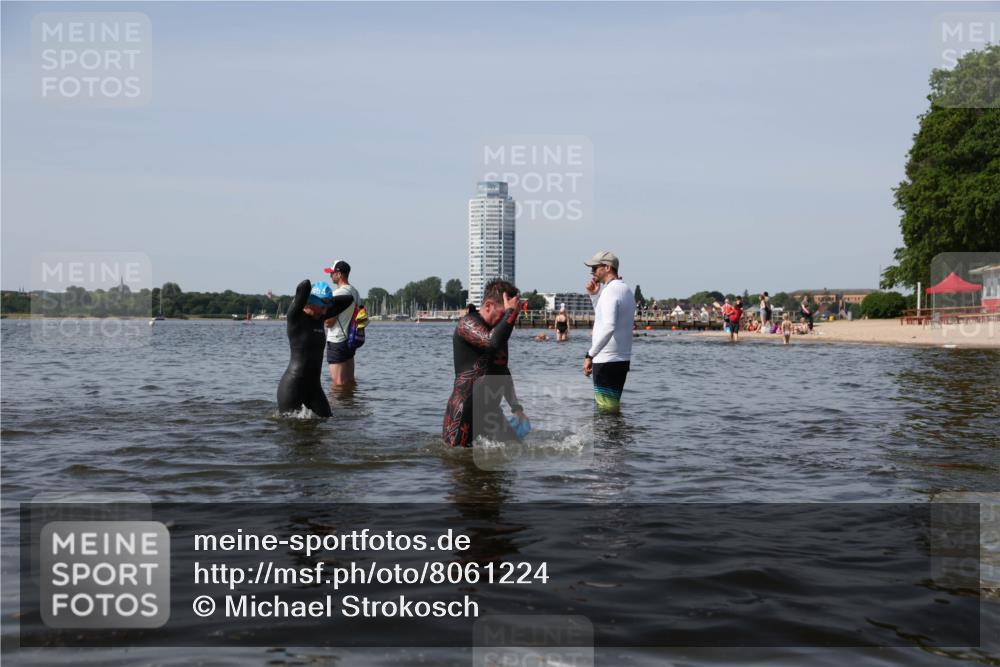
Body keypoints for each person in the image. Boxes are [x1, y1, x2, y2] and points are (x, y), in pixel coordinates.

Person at [442, 279, 527, 447]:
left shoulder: (498, 333)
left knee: (515, 452)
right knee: (459, 463)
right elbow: (490, 342)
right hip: (464, 413)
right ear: (488, 306)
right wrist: (511, 312)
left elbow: (503, 370)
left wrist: (516, 408)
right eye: (504, 314)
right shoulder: (467, 324)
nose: (508, 321)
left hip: (491, 412)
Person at [277, 280, 353, 417]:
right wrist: (316, 295)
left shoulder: (319, 316)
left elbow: (349, 299)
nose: (325, 311)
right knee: (289, 430)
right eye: (322, 306)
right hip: (293, 386)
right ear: (310, 301)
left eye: (327, 307)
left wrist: (326, 300)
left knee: (327, 420)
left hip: (314, 387)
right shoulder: (295, 317)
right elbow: (304, 285)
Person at [582, 251, 636, 412]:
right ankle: (617, 437)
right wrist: (594, 296)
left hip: (606, 360)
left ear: (607, 267)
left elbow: (608, 326)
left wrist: (590, 355)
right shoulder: (626, 290)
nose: (592, 272)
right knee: (612, 408)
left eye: (595, 267)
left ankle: (607, 438)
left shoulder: (610, 291)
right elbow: (604, 318)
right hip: (621, 359)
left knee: (605, 411)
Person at [323, 260, 361, 387]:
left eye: (332, 273)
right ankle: (349, 404)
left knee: (338, 383)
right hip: (350, 340)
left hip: (337, 341)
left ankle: (337, 407)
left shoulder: (338, 293)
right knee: (349, 381)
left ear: (339, 274)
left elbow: (329, 322)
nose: (330, 276)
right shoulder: (355, 292)